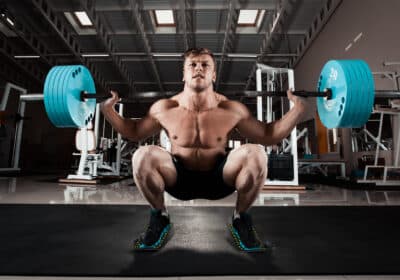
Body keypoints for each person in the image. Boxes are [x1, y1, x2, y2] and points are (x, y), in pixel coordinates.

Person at [100, 47, 308, 252]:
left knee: (256, 153)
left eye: (205, 65)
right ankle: (159, 216)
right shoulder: (165, 108)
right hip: (178, 179)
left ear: (213, 74)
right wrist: (108, 111)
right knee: (142, 155)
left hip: (219, 179)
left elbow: (268, 135)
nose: (198, 68)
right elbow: (134, 132)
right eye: (192, 64)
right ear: (184, 74)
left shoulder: (230, 109)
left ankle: (240, 218)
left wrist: (297, 110)